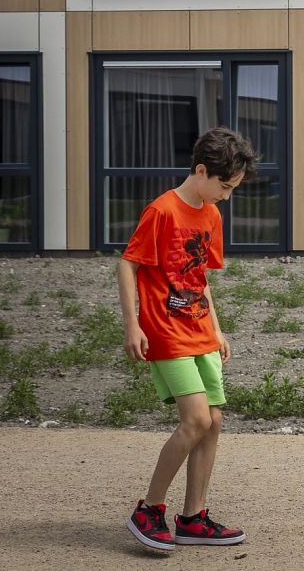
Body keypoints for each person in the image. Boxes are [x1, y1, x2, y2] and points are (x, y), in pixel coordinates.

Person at [119, 127, 259, 551]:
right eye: (225, 186)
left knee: (213, 421)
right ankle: (149, 509)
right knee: (196, 420)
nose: (227, 196)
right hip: (165, 331)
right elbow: (128, 265)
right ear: (201, 170)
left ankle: (193, 517)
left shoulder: (211, 215)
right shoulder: (162, 211)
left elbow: (199, 279)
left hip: (199, 330)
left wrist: (216, 327)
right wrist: (132, 324)